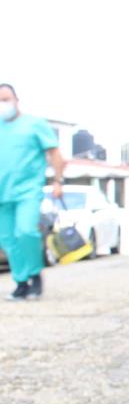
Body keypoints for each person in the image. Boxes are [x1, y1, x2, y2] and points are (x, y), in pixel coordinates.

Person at [0, 84, 64, 301]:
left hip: (27, 190)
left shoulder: (35, 124)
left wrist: (57, 180)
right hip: (2, 195)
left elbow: (55, 153)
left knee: (26, 231)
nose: (3, 105)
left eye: (6, 99)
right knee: (8, 239)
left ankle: (34, 274)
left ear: (17, 100)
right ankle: (20, 283)